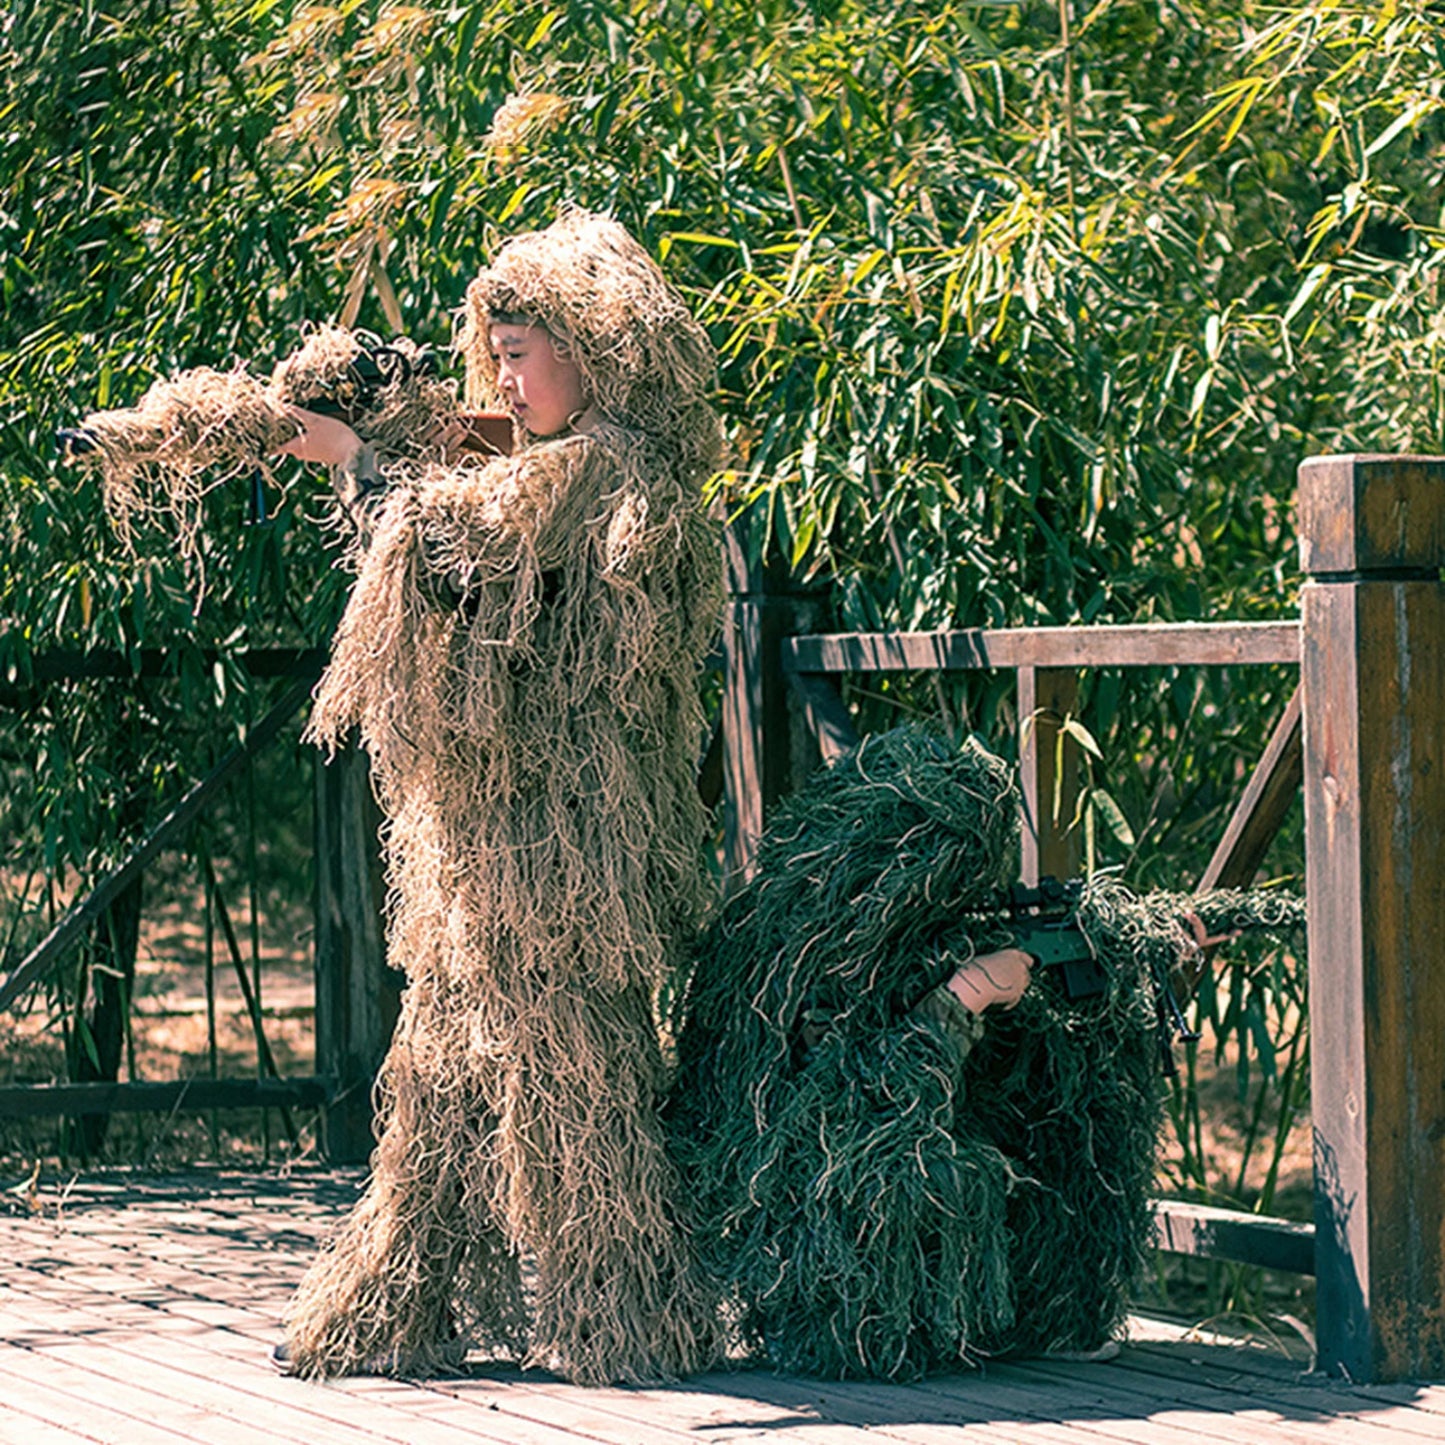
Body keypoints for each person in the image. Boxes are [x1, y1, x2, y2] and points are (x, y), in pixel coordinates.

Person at [276, 210, 725, 1385]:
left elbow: (449, 551)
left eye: (521, 350)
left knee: (574, 1097)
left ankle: (631, 1320)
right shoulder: (581, 463)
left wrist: (364, 464)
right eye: (498, 352)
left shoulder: (603, 465)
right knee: (439, 1084)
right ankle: (395, 1301)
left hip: (559, 844)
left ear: (592, 346)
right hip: (504, 839)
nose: (505, 377)